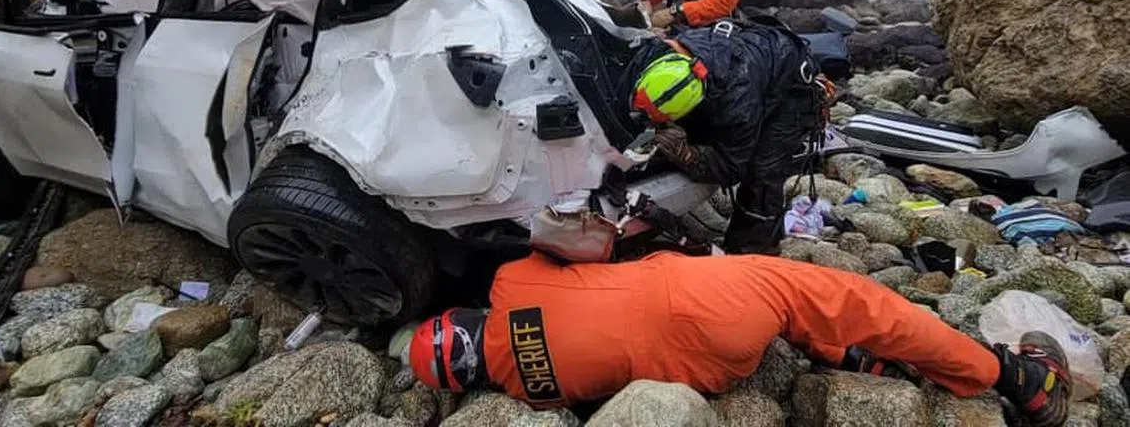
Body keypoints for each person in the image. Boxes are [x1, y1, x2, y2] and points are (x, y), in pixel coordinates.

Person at [401, 249, 1070, 427]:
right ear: (464, 318)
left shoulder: (531, 392)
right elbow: (585, 244)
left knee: (787, 318)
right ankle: (1019, 380)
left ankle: (853, 360)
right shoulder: (512, 281)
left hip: (717, 371)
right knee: (856, 300)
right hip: (707, 299)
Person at [617, 16, 827, 254]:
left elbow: (731, 167)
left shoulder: (738, 104)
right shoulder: (654, 55)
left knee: (762, 175)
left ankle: (749, 252)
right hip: (747, 56)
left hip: (789, 89)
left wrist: (686, 154)